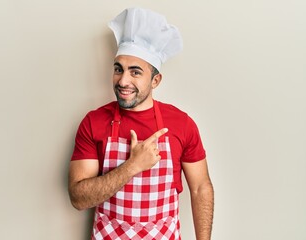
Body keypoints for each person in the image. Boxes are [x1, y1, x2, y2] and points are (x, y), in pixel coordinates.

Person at [68, 7, 214, 240]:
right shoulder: (93, 122)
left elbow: (200, 188)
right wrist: (133, 166)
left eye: (135, 72)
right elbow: (78, 198)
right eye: (118, 69)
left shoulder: (182, 124)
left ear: (155, 80)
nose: (123, 80)